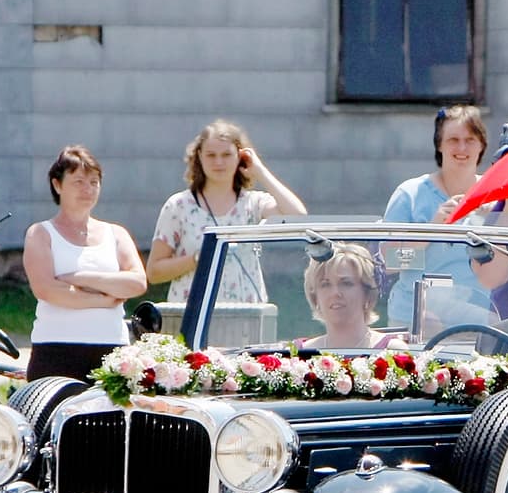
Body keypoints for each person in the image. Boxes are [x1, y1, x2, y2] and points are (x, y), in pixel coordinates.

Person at [22, 146, 148, 382]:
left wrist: (79, 278)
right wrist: (105, 299)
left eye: (94, 182)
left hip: (112, 349)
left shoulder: (116, 233)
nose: (88, 189)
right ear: (57, 185)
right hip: (56, 349)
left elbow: (137, 283)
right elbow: (47, 289)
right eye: (78, 181)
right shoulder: (40, 233)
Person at [147, 119, 306, 303]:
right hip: (194, 315)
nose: (219, 162)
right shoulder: (178, 205)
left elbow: (299, 218)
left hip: (246, 315)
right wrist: (197, 258)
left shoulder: (253, 203)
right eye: (211, 155)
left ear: (240, 157)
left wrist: (260, 172)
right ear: (199, 156)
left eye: (226, 154)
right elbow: (154, 272)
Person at [381, 105, 508, 326]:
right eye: (453, 139)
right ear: (439, 144)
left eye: (470, 139)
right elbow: (389, 264)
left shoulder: (496, 197)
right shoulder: (410, 194)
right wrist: (431, 230)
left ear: (482, 146)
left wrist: (495, 221)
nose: (462, 147)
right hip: (414, 319)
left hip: (476, 319)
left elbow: (505, 273)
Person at [299, 243, 401, 350]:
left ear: (367, 292)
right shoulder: (298, 354)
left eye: (346, 283)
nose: (335, 293)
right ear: (315, 296)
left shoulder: (392, 351)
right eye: (325, 284)